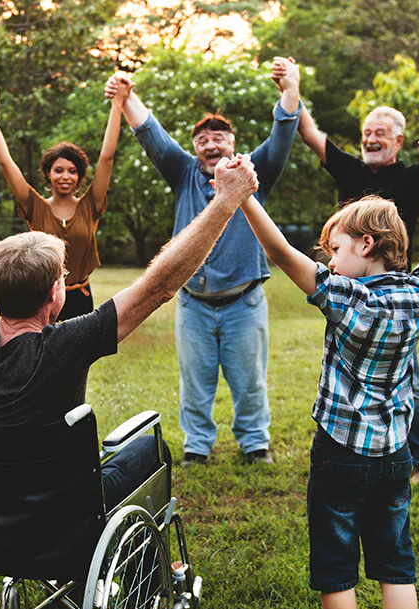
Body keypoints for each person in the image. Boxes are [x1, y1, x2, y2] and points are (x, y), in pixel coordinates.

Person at [0, 113, 262, 503]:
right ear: (57, 295)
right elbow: (159, 286)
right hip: (64, 506)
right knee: (153, 451)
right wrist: (225, 201)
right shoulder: (69, 343)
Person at [236, 151, 419, 609]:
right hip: (395, 454)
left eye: (335, 248)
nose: (330, 260)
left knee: (337, 567)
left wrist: (243, 195)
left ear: (366, 243)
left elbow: (278, 250)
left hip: (339, 454)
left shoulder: (345, 296)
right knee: (395, 562)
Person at [107, 57, 303, 466]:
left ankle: (255, 444)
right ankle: (197, 447)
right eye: (203, 140)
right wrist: (128, 97)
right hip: (193, 303)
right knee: (195, 384)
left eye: (219, 137)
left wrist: (290, 88)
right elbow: (150, 133)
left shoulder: (254, 173)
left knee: (250, 383)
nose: (211, 144)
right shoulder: (182, 173)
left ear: (232, 143)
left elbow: (283, 133)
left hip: (244, 303)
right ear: (195, 148)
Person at [290, 80, 419, 484]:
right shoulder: (350, 169)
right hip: (349, 286)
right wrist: (293, 88)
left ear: (399, 140)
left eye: (380, 134)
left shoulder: (412, 176)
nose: (371, 139)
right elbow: (308, 132)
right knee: (349, 364)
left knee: (408, 374)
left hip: (395, 290)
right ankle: (354, 438)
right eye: (366, 133)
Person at [0, 80, 124, 321]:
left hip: (80, 297)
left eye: (72, 170)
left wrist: (117, 103)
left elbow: (107, 158)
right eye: (58, 170)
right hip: (38, 298)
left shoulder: (90, 206)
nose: (65, 176)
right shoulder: (34, 206)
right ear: (48, 174)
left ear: (79, 176)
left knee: (79, 359)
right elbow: (6, 163)